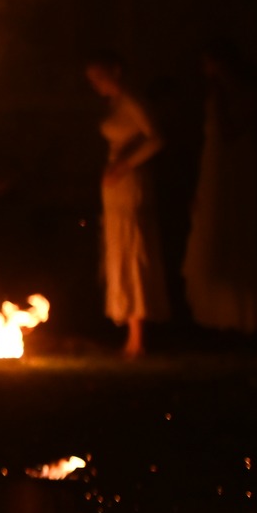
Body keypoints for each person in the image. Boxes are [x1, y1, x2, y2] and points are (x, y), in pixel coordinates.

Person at [182, 45, 257, 334]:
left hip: (236, 168)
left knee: (236, 234)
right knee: (210, 234)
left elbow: (229, 131)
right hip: (215, 168)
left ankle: (242, 316)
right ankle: (216, 317)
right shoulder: (216, 95)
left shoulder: (247, 94)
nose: (207, 72)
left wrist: (220, 97)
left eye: (211, 65)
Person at [86, 54, 167, 357]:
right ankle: (132, 336)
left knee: (132, 249)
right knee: (120, 249)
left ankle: (137, 337)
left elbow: (156, 138)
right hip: (115, 187)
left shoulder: (132, 100)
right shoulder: (115, 104)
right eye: (91, 80)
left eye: (100, 77)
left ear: (116, 71)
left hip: (130, 183)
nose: (96, 84)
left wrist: (124, 166)